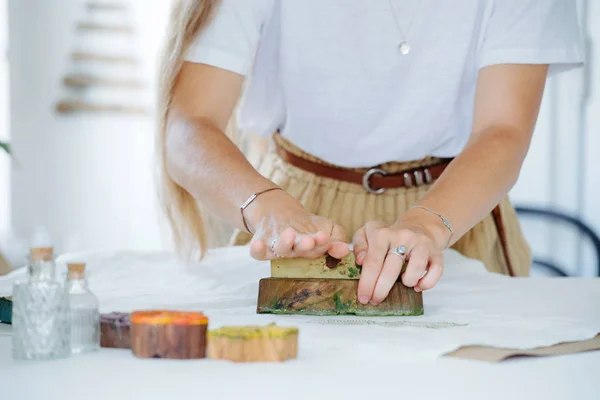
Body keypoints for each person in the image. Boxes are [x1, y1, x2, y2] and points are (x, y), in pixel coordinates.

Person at [156, 0, 583, 305]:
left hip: (457, 211)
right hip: (293, 209)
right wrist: (264, 206)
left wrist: (426, 224)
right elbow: (188, 125)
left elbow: (503, 130)